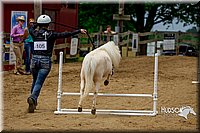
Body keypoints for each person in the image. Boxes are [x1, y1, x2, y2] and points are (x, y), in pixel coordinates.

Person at [27, 14, 87, 113]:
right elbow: (65, 34)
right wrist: (78, 31)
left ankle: (33, 102)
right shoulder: (51, 34)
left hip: (34, 59)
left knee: (35, 80)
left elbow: (30, 29)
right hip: (45, 60)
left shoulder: (34, 33)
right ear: (48, 25)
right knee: (39, 82)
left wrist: (35, 24)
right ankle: (33, 97)